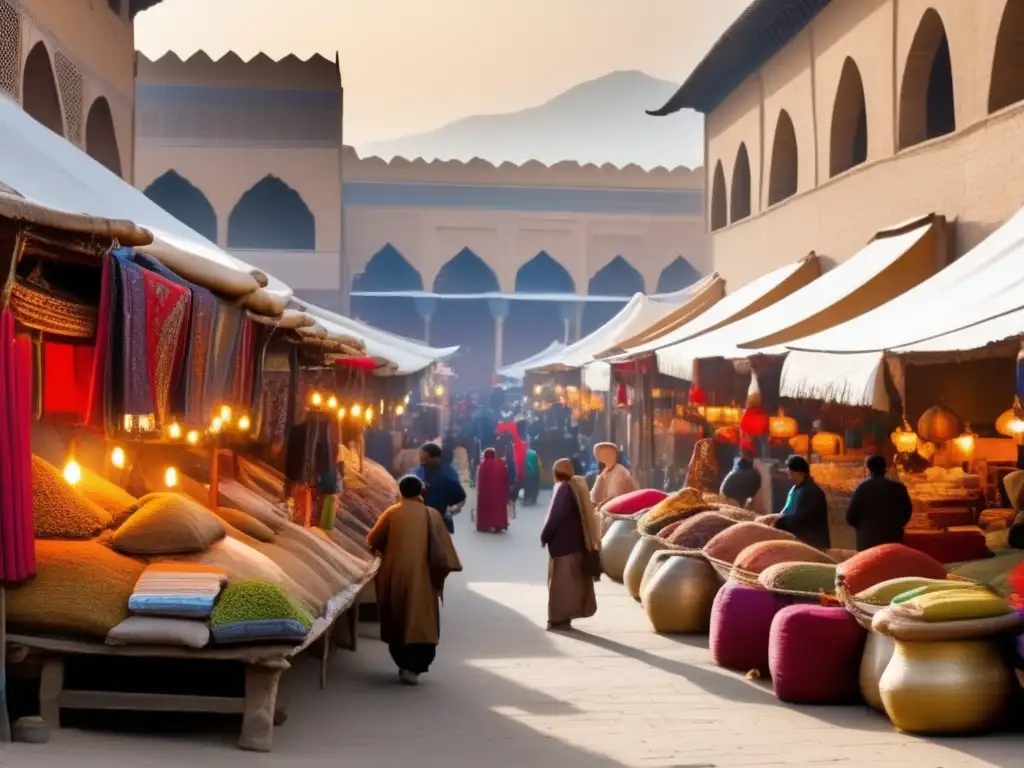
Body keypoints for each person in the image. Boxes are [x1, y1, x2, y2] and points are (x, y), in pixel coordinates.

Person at [367, 475, 462, 685]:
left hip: (395, 575)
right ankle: (417, 666)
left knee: (398, 617)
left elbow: (373, 540)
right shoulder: (433, 515)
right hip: (425, 578)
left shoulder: (391, 513)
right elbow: (445, 550)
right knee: (423, 619)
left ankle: (404, 663)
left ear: (400, 492)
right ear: (421, 492)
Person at [541, 458, 601, 631]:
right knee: (573, 583)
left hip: (562, 545)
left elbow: (554, 515)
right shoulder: (576, 486)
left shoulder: (562, 488)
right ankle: (567, 616)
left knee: (560, 585)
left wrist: (544, 536)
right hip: (577, 543)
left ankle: (558, 619)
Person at [844, 455, 912, 551]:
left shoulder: (862, 488)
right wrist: (895, 526)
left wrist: (864, 527)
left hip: (868, 542)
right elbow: (907, 512)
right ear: (884, 468)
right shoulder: (898, 488)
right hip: (893, 541)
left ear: (868, 469)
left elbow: (850, 517)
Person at [774, 455, 831, 549]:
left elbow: (801, 519)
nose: (789, 477)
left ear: (800, 473)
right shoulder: (797, 488)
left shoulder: (812, 492)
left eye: (791, 473)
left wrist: (779, 522)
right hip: (800, 542)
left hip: (813, 545)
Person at [414, 442, 466, 534]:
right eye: (421, 458)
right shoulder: (416, 472)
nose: (421, 461)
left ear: (436, 458)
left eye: (425, 459)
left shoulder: (448, 475)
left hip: (439, 521)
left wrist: (451, 510)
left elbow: (460, 498)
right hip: (418, 520)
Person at [475, 448, 511, 532]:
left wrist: (479, 492)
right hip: (499, 493)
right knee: (498, 509)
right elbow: (506, 478)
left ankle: (486, 525)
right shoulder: (501, 464)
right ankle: (499, 524)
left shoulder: (482, 465)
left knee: (487, 509)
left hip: (486, 493)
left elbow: (479, 480)